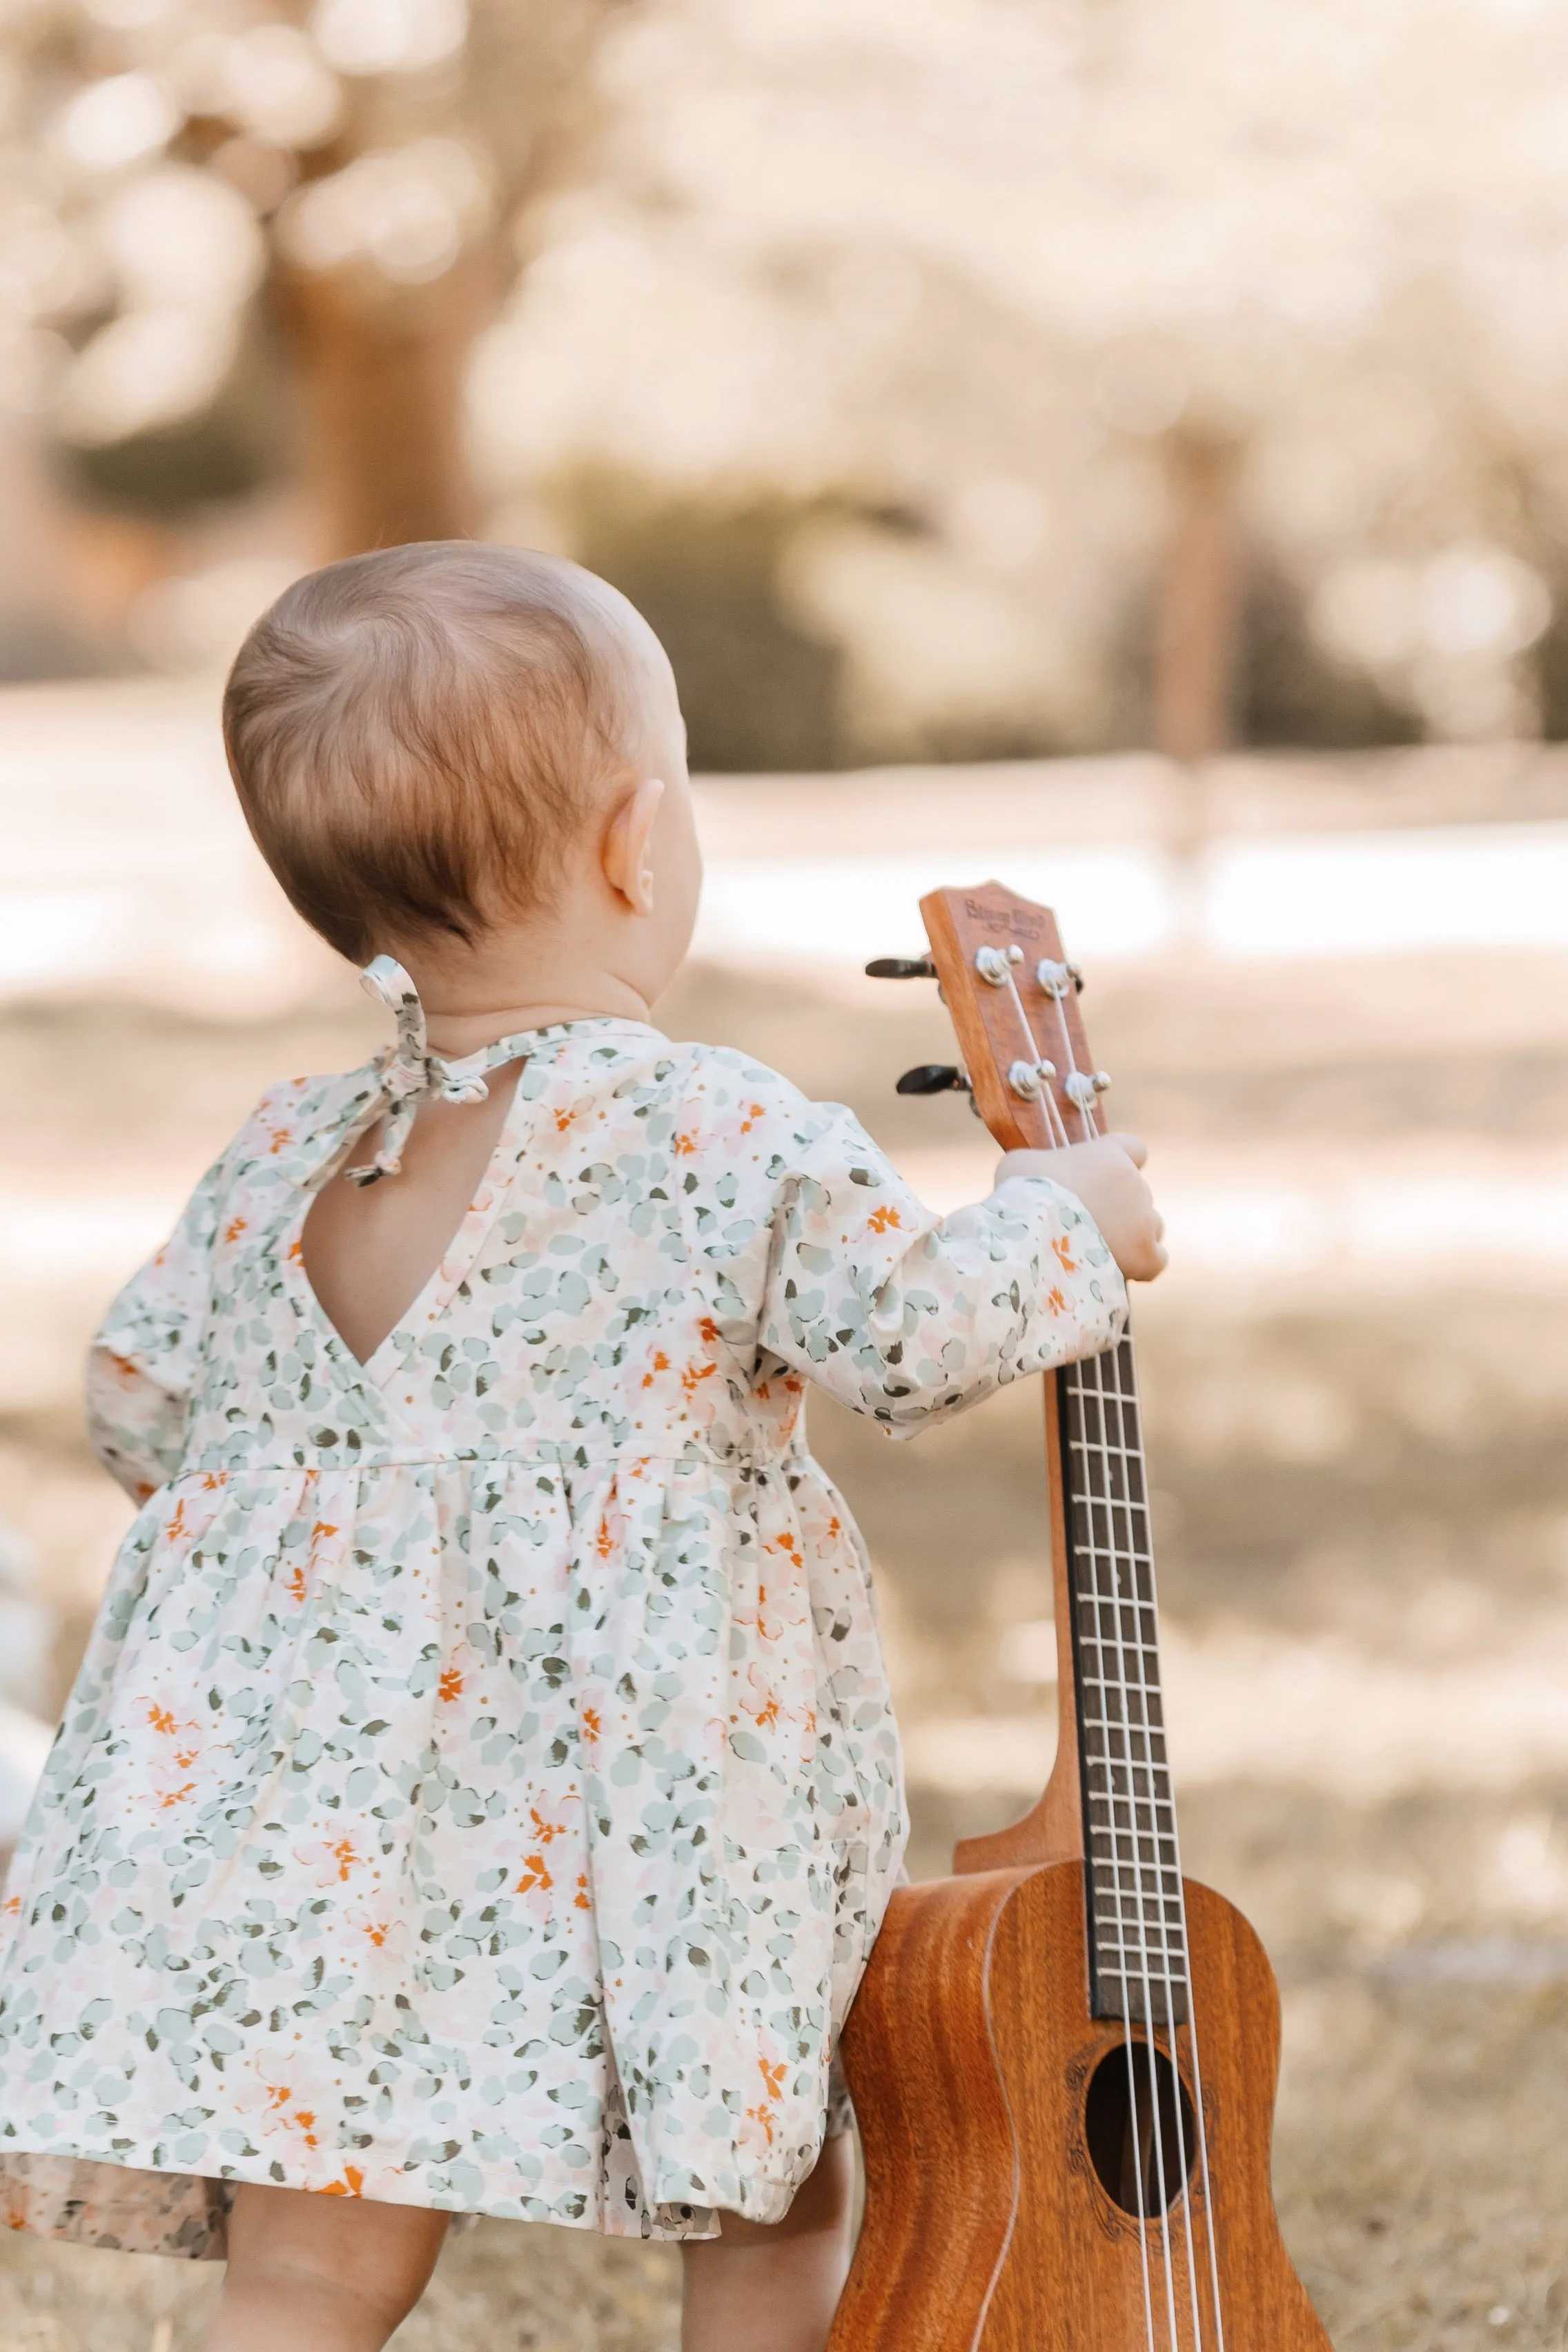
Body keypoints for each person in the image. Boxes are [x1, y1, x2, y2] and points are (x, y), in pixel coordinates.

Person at [0, 544, 1166, 2352]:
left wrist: (340, 1546)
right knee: (766, 2187)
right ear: (640, 841)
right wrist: (1068, 1213)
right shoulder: (711, 1132)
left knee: (318, 2236)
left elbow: (143, 1404)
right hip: (661, 1817)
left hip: (338, 1838)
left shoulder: (286, 1144)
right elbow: (916, 1341)